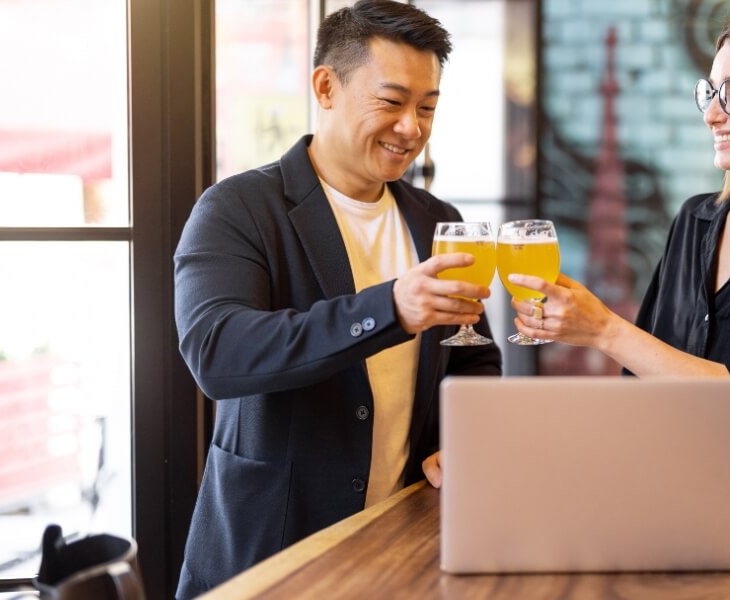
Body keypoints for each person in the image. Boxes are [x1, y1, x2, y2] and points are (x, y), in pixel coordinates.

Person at [172, 1, 501, 596]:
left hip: (399, 549)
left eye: (428, 108)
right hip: (269, 553)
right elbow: (218, 354)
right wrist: (390, 309)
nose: (413, 128)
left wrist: (459, 441)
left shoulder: (439, 220)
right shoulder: (237, 209)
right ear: (326, 86)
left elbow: (472, 353)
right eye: (392, 102)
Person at [499, 16, 730, 502]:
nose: (713, 115)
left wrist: (604, 329)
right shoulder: (696, 219)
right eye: (711, 93)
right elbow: (644, 381)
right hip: (671, 505)